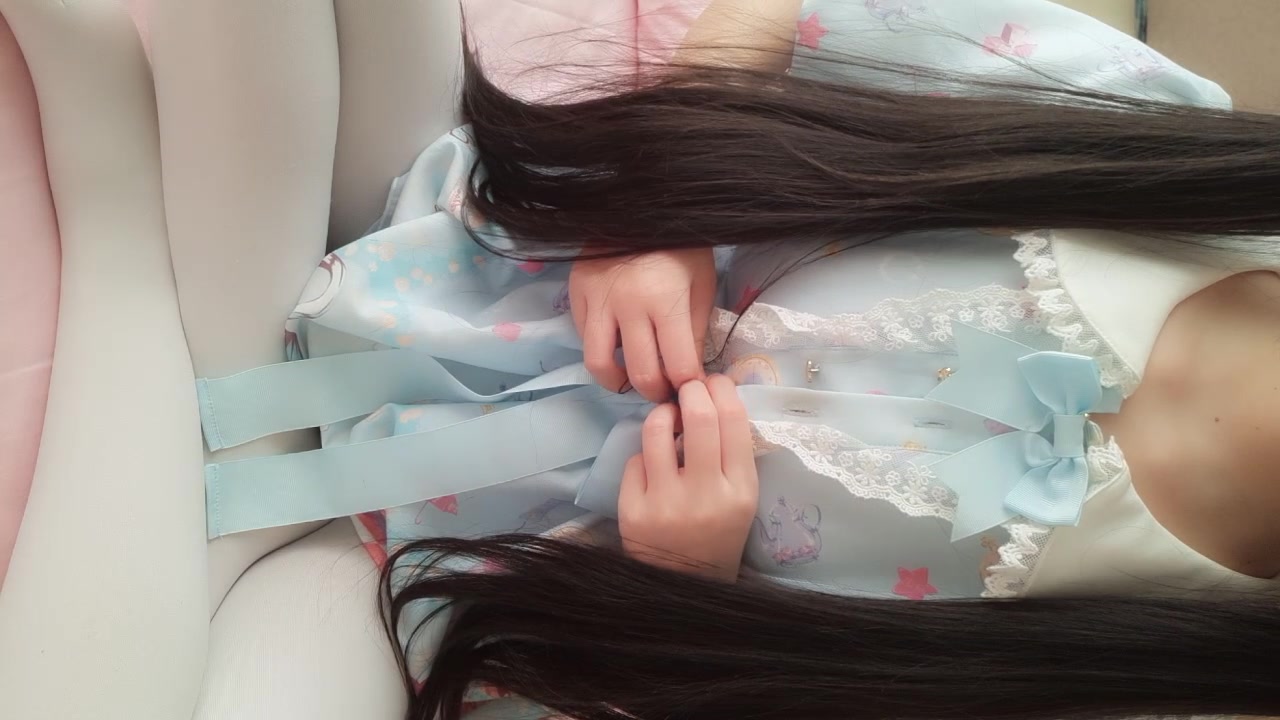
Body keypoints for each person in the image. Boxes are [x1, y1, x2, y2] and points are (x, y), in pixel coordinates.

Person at [283, 1, 1280, 718]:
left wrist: (683, 593)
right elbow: (786, 17)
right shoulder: (1164, 145)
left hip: (450, 590)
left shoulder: (1156, 681)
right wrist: (659, 205)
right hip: (457, 220)